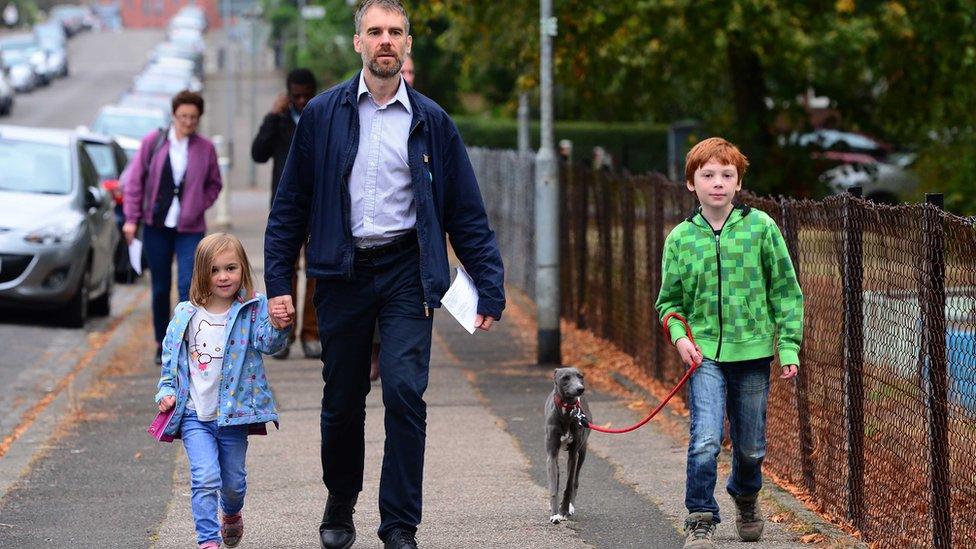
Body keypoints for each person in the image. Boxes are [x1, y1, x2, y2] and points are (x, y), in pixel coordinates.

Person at [263, 1, 505, 547]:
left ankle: (399, 523)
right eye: (375, 32)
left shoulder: (432, 122)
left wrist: (488, 284)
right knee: (342, 401)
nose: (385, 41)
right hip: (342, 273)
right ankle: (340, 500)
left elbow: (465, 212)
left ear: (408, 44)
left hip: (406, 272)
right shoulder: (323, 116)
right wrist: (279, 283)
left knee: (403, 392)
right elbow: (289, 207)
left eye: (395, 32)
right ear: (358, 43)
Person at [655, 137, 803, 549]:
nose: (717, 182)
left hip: (753, 352)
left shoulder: (761, 229)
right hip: (704, 356)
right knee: (704, 439)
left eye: (726, 175)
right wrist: (681, 337)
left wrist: (787, 345)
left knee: (751, 446)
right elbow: (669, 302)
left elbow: (786, 291)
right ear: (691, 183)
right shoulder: (680, 240)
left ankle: (746, 495)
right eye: (708, 175)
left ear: (738, 184)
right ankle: (700, 515)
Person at [154, 233, 292, 549]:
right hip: (193, 415)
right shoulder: (186, 314)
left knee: (233, 485)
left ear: (242, 269)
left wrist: (279, 324)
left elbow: (268, 343)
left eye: (231, 268)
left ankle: (231, 514)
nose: (223, 276)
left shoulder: (252, 309)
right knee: (204, 479)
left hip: (233, 415)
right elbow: (171, 356)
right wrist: (166, 389)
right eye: (215, 270)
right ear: (202, 273)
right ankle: (208, 541)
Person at [123, 90, 223, 365]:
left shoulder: (205, 148)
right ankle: (160, 342)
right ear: (174, 116)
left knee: (187, 287)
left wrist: (199, 203)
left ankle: (183, 342)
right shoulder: (154, 143)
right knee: (159, 287)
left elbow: (215, 183)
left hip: (190, 227)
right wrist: (132, 218)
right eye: (182, 117)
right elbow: (134, 183)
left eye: (193, 117)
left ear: (199, 118)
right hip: (156, 225)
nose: (187, 122)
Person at [251, 68, 321, 360]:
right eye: (297, 96)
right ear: (288, 94)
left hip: (318, 206)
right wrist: (271, 116)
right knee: (285, 271)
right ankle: (284, 333)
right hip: (286, 206)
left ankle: (312, 334)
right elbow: (258, 154)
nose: (302, 101)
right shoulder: (280, 121)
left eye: (307, 95)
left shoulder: (322, 116)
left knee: (317, 271)